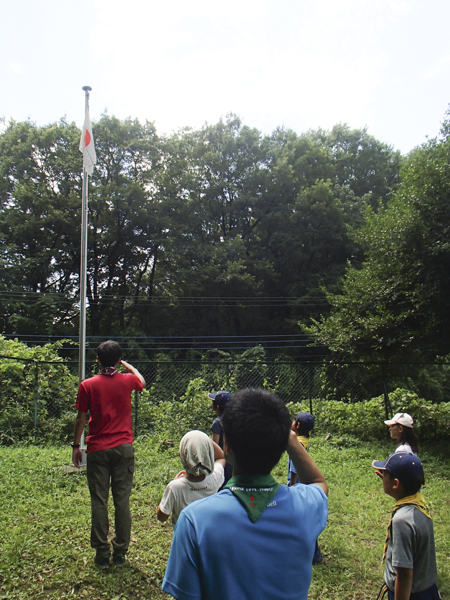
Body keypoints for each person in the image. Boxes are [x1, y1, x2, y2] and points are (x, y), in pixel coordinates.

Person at [162, 387, 328, 600]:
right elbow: (318, 482)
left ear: (228, 446)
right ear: (283, 445)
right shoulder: (305, 506)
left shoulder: (194, 521)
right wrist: (289, 438)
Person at [72, 340, 146, 569]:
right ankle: (121, 553)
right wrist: (128, 366)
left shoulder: (87, 385)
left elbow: (81, 418)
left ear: (97, 360)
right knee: (122, 501)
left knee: (99, 500)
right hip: (123, 448)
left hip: (97, 450)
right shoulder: (127, 380)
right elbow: (142, 381)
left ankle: (102, 554)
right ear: (118, 360)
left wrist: (76, 446)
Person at [372, 453, 440, 600]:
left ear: (396, 484)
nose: (382, 476)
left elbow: (403, 574)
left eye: (385, 474)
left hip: (410, 594)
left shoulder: (402, 520)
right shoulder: (419, 504)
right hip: (427, 590)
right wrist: (389, 482)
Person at [157, 430, 226, 525]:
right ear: (209, 453)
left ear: (181, 455)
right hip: (206, 539)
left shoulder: (175, 487)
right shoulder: (214, 479)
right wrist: (206, 441)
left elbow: (162, 517)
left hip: (183, 539)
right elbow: (222, 457)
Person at [287, 411, 323, 564]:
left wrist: (291, 486)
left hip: (298, 486)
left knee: (301, 521)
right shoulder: (304, 439)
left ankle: (314, 554)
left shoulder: (298, 444)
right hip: (304, 484)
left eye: (294, 421)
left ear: (298, 425)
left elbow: (295, 467)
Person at [209, 390, 233, 486]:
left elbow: (214, 444)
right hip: (233, 459)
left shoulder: (217, 423)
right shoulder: (234, 419)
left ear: (217, 407)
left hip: (221, 460)